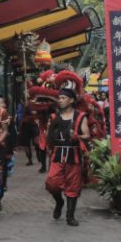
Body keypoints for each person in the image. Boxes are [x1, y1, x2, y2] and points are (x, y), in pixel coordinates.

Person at [45, 87, 90, 227]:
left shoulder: (80, 116)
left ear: (71, 100)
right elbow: (49, 137)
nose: (60, 100)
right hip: (58, 154)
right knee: (51, 183)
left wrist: (77, 136)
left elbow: (87, 135)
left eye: (63, 98)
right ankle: (59, 202)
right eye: (59, 98)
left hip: (74, 155)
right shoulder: (54, 117)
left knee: (73, 186)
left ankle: (70, 216)